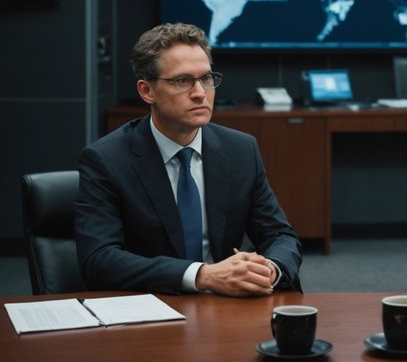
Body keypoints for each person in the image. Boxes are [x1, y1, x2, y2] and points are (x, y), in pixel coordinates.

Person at [76, 23, 302, 296]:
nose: (199, 92)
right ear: (147, 91)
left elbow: (280, 236)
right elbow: (99, 260)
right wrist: (202, 275)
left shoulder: (240, 150)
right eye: (182, 81)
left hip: (227, 305)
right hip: (154, 305)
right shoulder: (106, 159)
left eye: (206, 79)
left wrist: (269, 269)